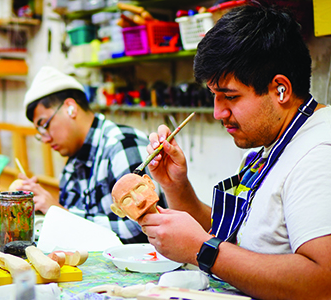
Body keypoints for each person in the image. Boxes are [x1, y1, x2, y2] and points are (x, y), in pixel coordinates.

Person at [138, 3, 331, 300]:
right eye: (214, 97)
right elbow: (233, 236)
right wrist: (175, 185)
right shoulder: (270, 144)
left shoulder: (319, 153)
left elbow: (323, 283)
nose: (218, 113)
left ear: (281, 89)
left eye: (229, 96)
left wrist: (202, 250)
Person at [20, 66, 156, 244]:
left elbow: (141, 228)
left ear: (70, 108)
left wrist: (61, 214)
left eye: (44, 124)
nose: (45, 139)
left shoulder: (122, 145)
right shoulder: (72, 164)